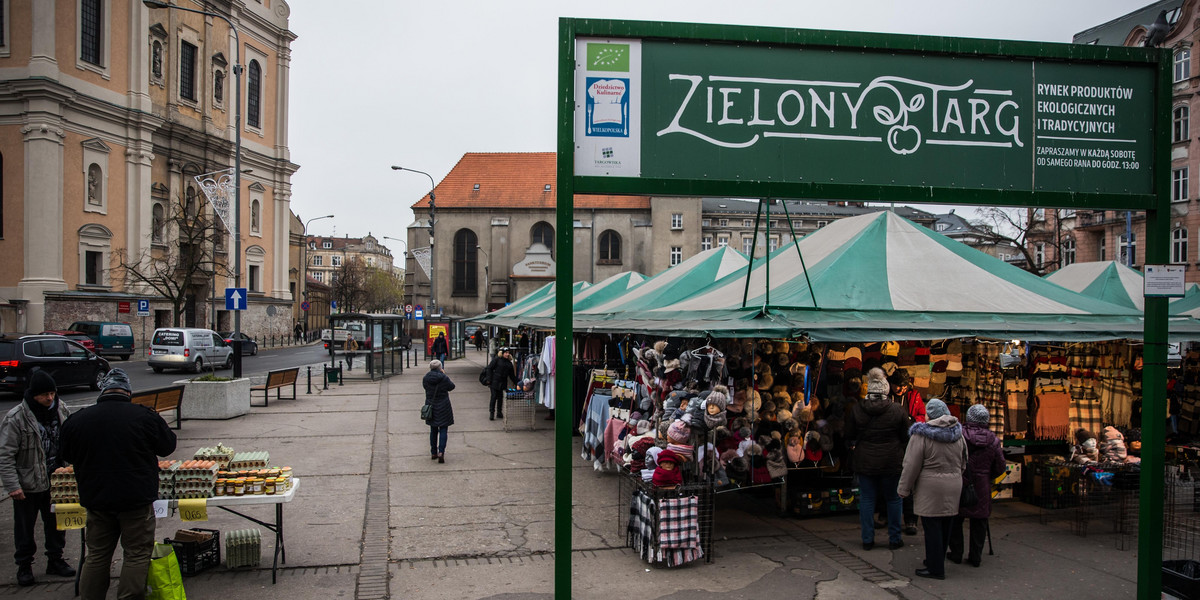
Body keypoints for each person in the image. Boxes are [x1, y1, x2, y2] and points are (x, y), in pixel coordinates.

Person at [60, 369, 177, 600]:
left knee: (97, 555)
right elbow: (167, 446)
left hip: (97, 499)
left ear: (102, 391)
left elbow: (67, 454)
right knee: (136, 554)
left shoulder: (78, 420)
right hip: (135, 499)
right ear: (128, 392)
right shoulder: (144, 417)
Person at [0, 370, 75, 586]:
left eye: (52, 393)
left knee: (56, 525)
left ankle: (56, 560)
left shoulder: (60, 409)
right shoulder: (17, 417)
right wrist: (13, 485)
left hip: (57, 481)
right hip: (28, 483)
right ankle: (24, 566)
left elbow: (69, 439)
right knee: (24, 528)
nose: (49, 398)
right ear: (33, 395)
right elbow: (5, 454)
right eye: (44, 395)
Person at [897, 398, 967, 581]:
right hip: (954, 485)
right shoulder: (958, 434)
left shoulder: (921, 435)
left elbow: (911, 465)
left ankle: (936, 568)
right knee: (945, 526)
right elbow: (964, 461)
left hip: (930, 488)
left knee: (932, 527)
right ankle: (937, 560)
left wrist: (903, 489)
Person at [845, 368, 909, 551]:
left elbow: (849, 434)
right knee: (894, 499)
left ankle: (867, 539)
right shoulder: (897, 410)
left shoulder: (858, 409)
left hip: (865, 460)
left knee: (867, 499)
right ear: (886, 390)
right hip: (891, 460)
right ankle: (895, 539)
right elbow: (906, 436)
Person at [948, 404, 1006, 568]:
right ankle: (976, 556)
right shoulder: (993, 440)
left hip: (961, 481)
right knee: (979, 521)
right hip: (982, 484)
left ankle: (956, 552)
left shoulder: (959, 435)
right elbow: (1001, 466)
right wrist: (987, 476)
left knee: (956, 518)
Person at [423, 360, 455, 463]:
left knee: (433, 429)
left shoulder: (426, 378)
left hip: (431, 405)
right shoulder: (443, 377)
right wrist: (444, 374)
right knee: (443, 428)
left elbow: (425, 388)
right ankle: (441, 452)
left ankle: (433, 452)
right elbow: (451, 387)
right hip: (443, 405)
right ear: (440, 367)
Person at [485, 348, 518, 421]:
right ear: (502, 353)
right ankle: (492, 413)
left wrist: (517, 383)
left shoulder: (509, 364)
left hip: (503, 382)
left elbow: (512, 376)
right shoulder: (496, 360)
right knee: (493, 397)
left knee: (500, 398)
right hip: (494, 381)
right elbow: (489, 368)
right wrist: (489, 379)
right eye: (505, 352)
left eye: (508, 352)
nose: (507, 354)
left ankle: (499, 412)